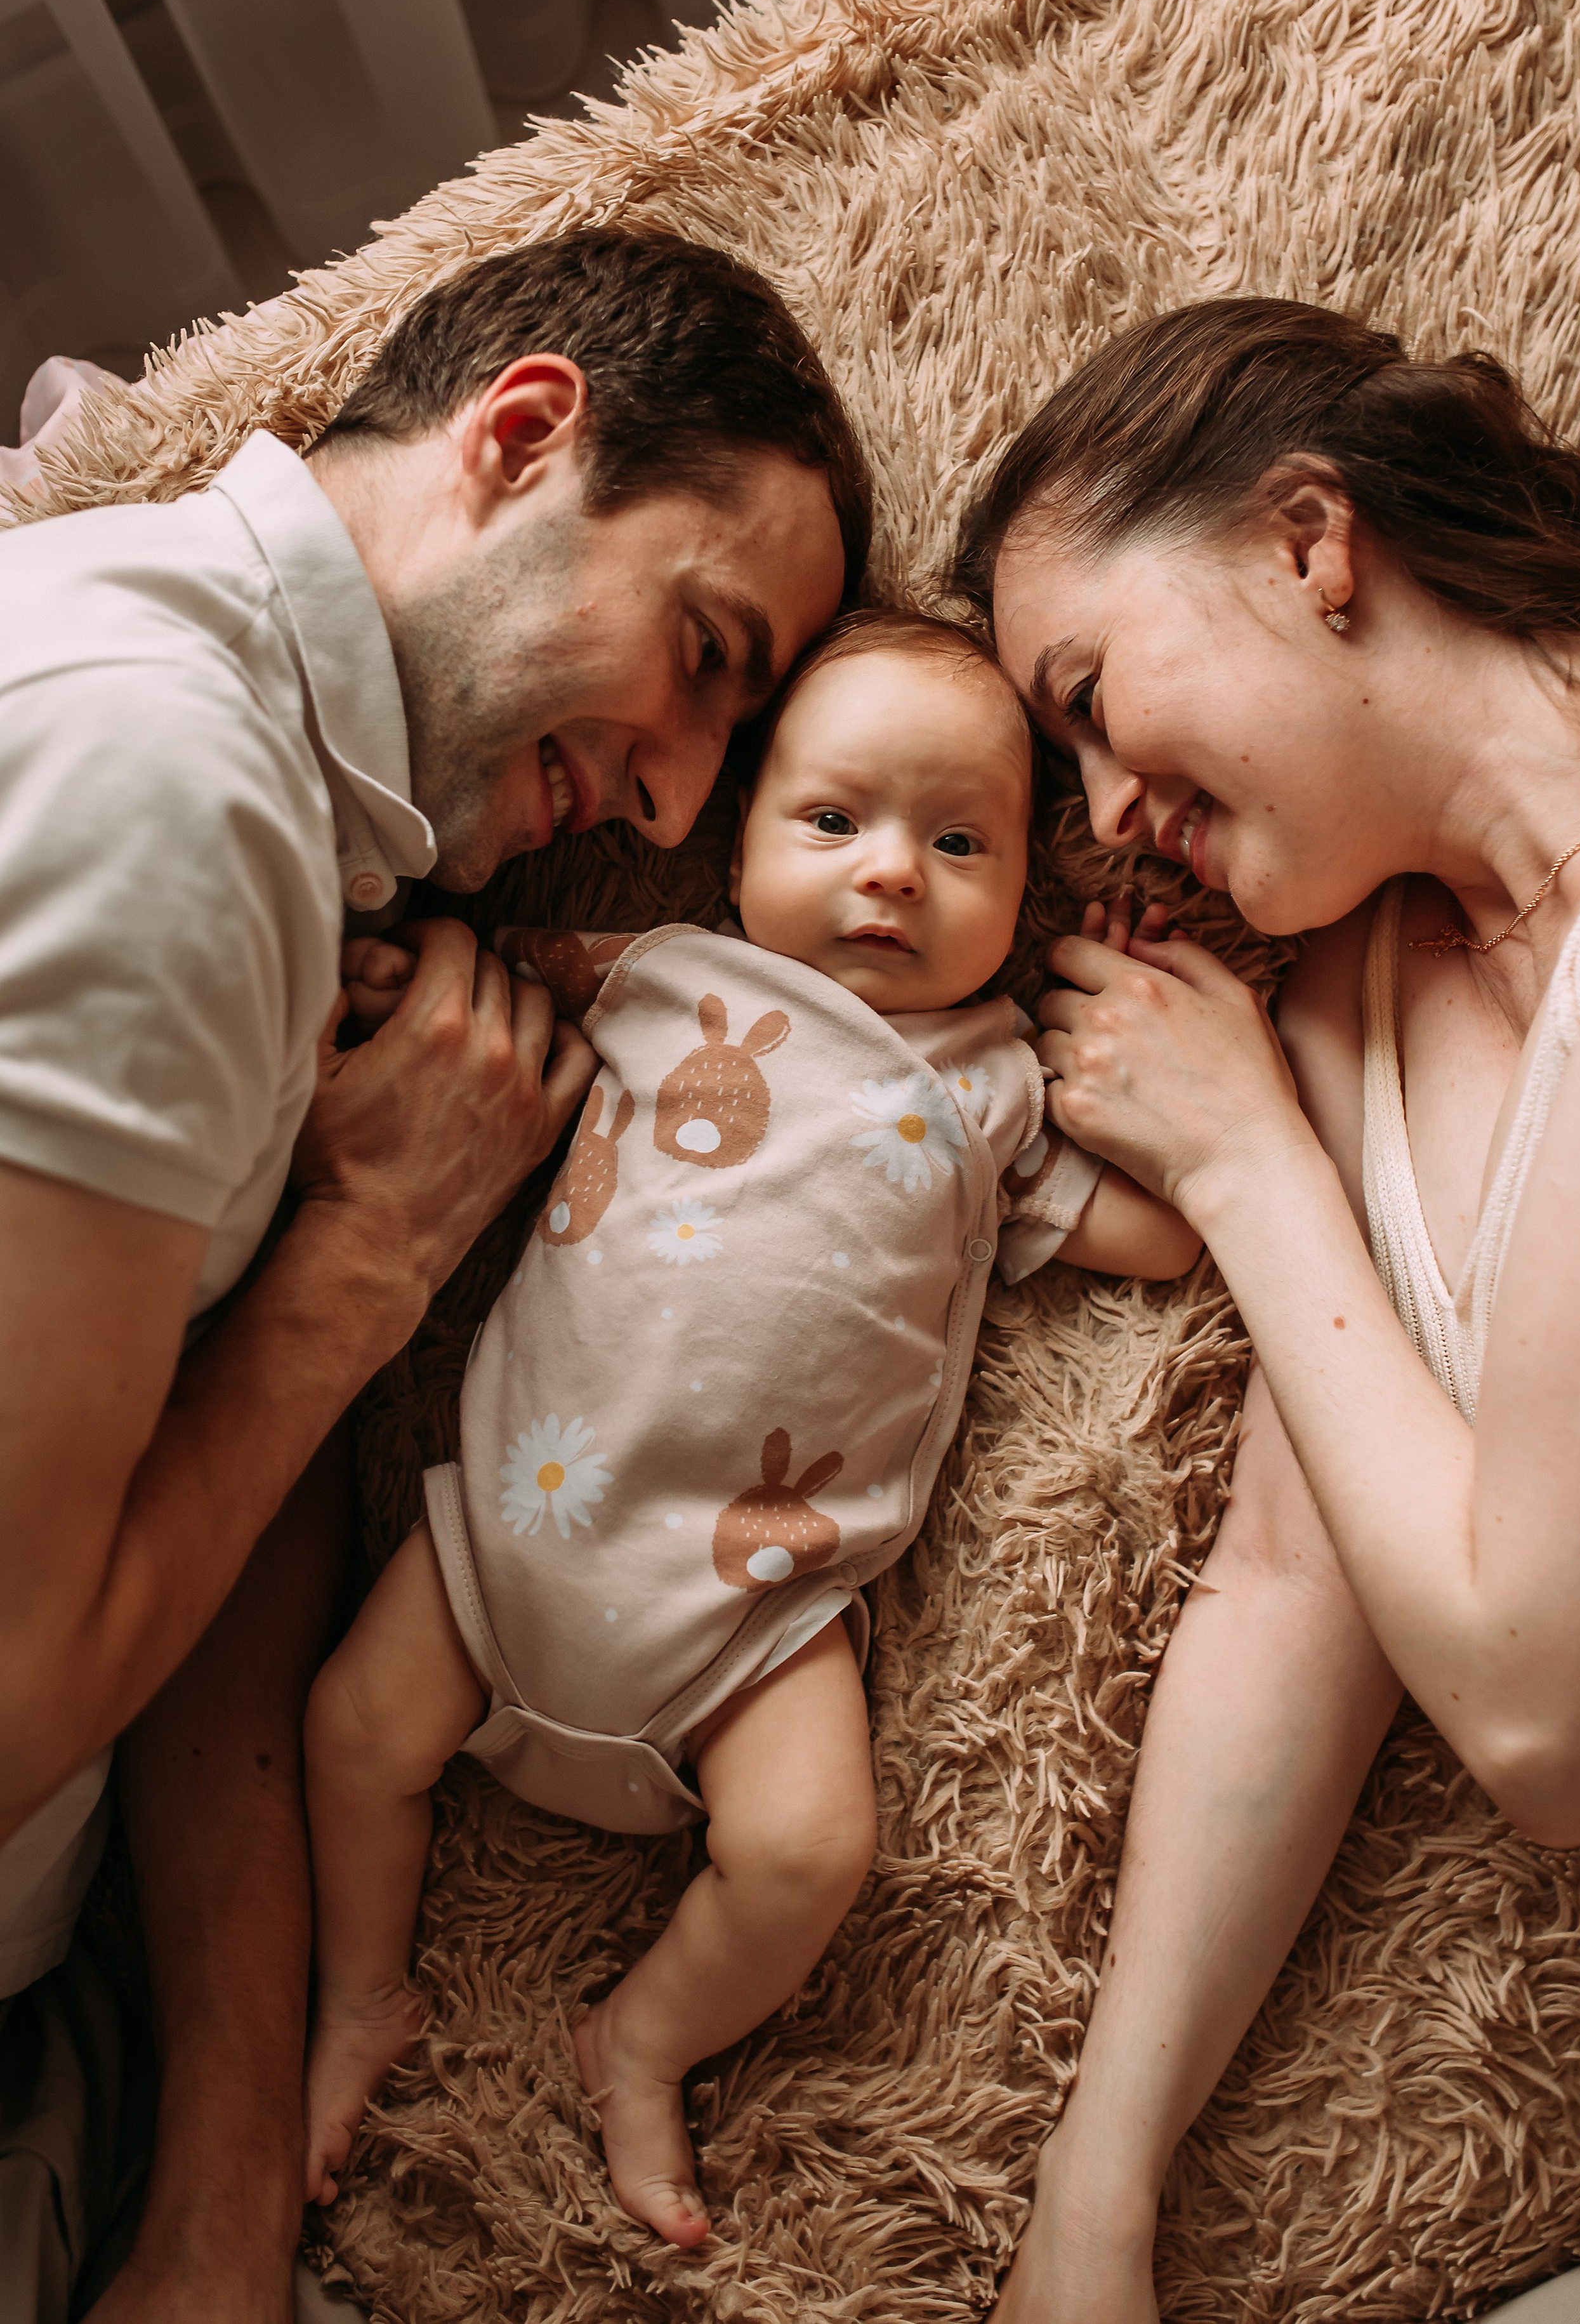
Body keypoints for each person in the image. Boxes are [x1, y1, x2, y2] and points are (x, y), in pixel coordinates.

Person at [0, 225, 867, 2323]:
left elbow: (184, 1463)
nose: (671, 791)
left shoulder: (230, 780)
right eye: (703, 652)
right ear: (528, 429)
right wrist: (371, 1254)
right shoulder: (168, 781)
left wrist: (215, 2189)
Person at [297, 609, 1200, 2243]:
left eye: (956, 843)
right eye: (833, 820)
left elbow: (1159, 1236)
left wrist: (1138, 1053)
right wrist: (394, 980)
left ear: (1021, 892)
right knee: (357, 1734)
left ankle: (635, 2042)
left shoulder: (990, 1090)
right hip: (517, 1525)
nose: (888, 876)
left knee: (809, 1856)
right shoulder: (655, 976)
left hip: (753, 1606)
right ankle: (362, 1998)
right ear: (739, 843)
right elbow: (475, 997)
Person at [958, 298, 1580, 2323]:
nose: (1095, 810)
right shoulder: (1352, 995)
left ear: (1310, 542)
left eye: (1088, 695)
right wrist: (1101, 2192)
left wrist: (1248, 1171)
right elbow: (1287, 1580)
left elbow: (1542, 1709)